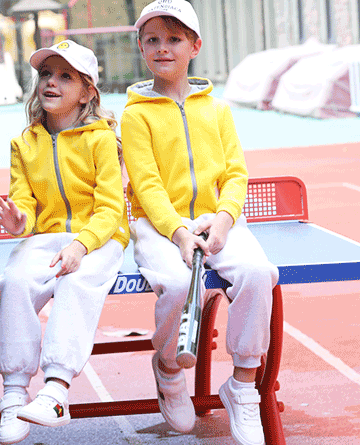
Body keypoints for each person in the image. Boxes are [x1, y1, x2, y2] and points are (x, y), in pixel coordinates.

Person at [121, 1, 279, 445]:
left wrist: (225, 221)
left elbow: (235, 174)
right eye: (153, 40)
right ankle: (169, 367)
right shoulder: (135, 115)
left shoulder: (218, 110)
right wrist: (177, 232)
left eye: (174, 39)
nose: (163, 48)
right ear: (141, 47)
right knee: (175, 286)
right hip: (160, 228)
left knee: (257, 273)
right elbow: (146, 185)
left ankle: (242, 386)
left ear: (195, 46)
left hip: (218, 221)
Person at [0, 39, 130, 445]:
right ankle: (14, 394)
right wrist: (19, 222)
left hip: (99, 238)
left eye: (65, 76)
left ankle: (55, 392)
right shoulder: (24, 144)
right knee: (13, 282)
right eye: (46, 74)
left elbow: (111, 209)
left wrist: (81, 246)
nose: (51, 82)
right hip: (47, 237)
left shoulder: (102, 139)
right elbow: (23, 202)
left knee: (76, 282)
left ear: (87, 92)